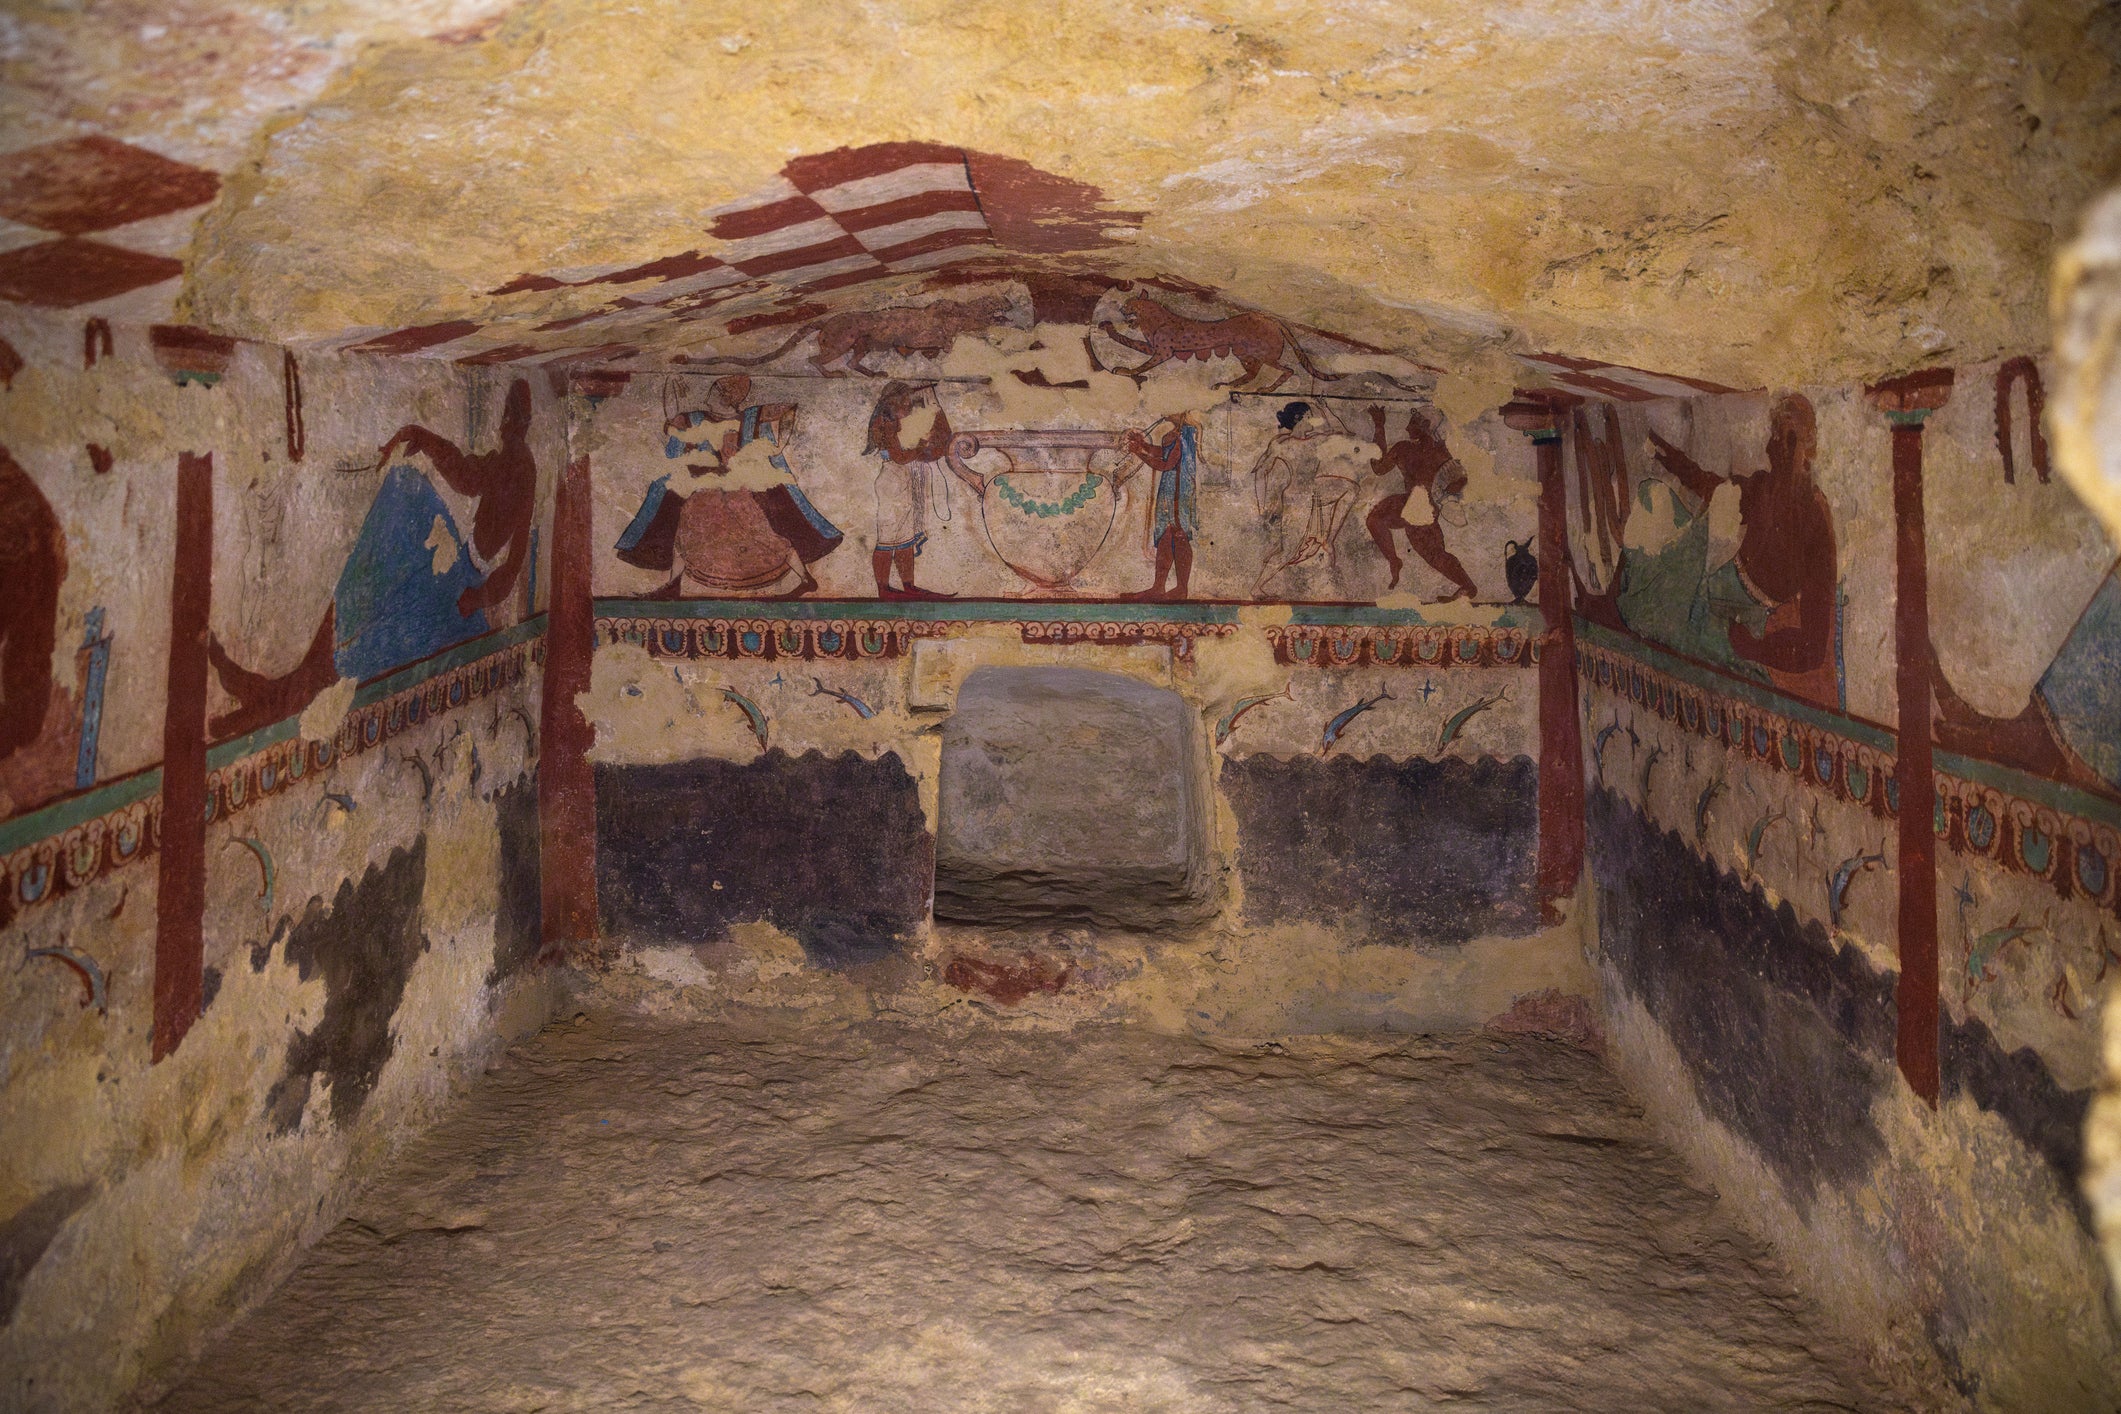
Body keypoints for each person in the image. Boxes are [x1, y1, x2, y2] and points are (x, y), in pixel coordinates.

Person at [208, 378, 540, 739]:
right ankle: (278, 693)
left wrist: (479, 597)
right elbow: (466, 477)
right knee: (403, 490)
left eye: (513, 417)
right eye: (506, 414)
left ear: (523, 422)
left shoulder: (521, 468)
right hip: (457, 566)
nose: (506, 424)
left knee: (404, 495)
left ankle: (277, 699)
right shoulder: (505, 460)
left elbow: (512, 561)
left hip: (463, 584)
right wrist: (422, 437)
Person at [1644, 392, 1837, 704]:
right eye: (1775, 434)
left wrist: (1751, 647)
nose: (1778, 446)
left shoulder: (1814, 519)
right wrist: (1672, 459)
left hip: (1743, 622)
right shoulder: (1763, 488)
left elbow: (1813, 650)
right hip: (1713, 595)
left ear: (1809, 446)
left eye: (1790, 437)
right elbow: (1713, 488)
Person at [614, 375, 842, 599]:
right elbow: (675, 421)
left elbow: (787, 409)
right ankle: (674, 585)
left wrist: (779, 446)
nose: (708, 394)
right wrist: (671, 382)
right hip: (708, 494)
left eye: (714, 389)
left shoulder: (747, 419)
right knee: (685, 529)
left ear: (725, 396)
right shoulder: (697, 418)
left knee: (764, 536)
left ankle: (805, 578)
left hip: (737, 494)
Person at [864, 381, 981, 599]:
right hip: (892, 480)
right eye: (906, 399)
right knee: (888, 539)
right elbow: (899, 457)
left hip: (901, 479)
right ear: (895, 400)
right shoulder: (885, 421)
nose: (909, 404)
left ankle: (908, 585)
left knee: (905, 538)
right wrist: (920, 446)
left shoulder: (892, 420)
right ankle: (883, 589)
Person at [1251, 401, 1367, 598]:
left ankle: (1328, 539)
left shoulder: (1315, 439)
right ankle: (1257, 587)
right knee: (1287, 551)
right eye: (1310, 416)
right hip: (1297, 497)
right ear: (1300, 419)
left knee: (1351, 489)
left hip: (1315, 488)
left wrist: (1324, 408)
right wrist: (1262, 504)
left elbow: (1344, 433)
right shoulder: (1281, 443)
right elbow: (1260, 470)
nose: (1314, 420)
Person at [1364, 404, 1478, 601]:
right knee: (1376, 519)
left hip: (1418, 506)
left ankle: (1468, 586)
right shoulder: (1431, 450)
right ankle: (1395, 561)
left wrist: (1379, 426)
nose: (1407, 428)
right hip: (1415, 503)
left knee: (1434, 555)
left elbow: (1378, 467)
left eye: (1412, 422)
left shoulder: (1417, 449)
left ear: (1425, 425)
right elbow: (1460, 479)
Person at [1121, 412, 1203, 601]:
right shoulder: (1175, 434)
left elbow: (1167, 464)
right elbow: (1163, 453)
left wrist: (1139, 453)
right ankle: (1158, 587)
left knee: (1179, 534)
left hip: (1178, 490)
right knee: (1166, 536)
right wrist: (1143, 445)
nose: (1163, 411)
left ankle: (1181, 589)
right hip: (1169, 488)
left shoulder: (1185, 434)